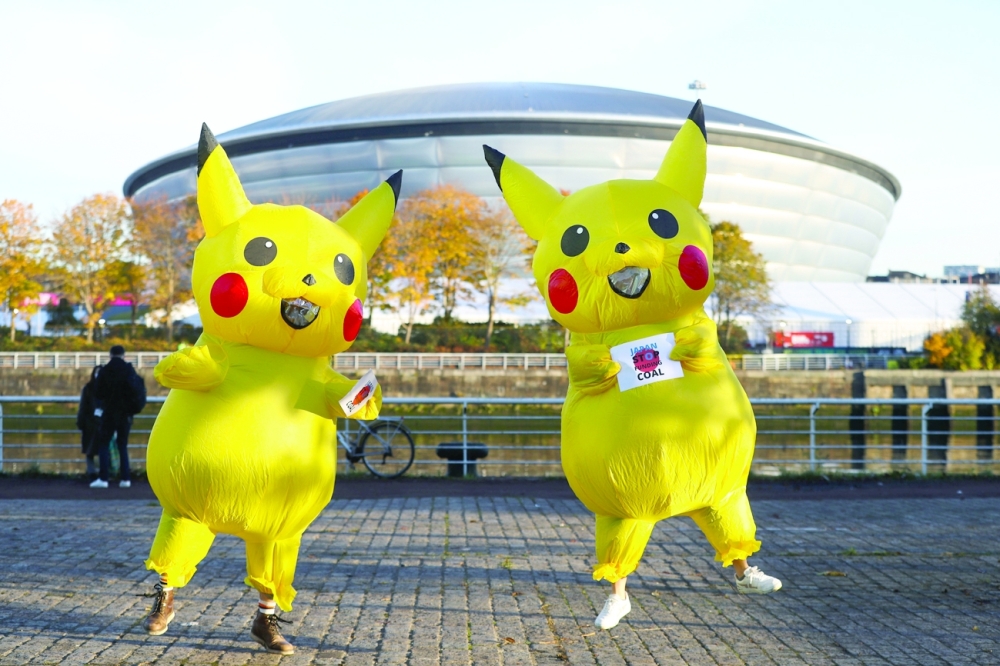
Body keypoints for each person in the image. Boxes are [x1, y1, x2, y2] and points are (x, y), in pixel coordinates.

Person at [90, 345, 143, 489]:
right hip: (125, 414)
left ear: (110, 355)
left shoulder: (105, 370)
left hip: (109, 413)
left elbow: (98, 393)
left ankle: (104, 478)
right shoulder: (129, 370)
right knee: (122, 445)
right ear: (124, 355)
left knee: (103, 444)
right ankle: (125, 479)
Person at [76, 366, 103, 480]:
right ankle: (102, 472)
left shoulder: (88, 388)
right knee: (101, 449)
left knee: (90, 449)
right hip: (97, 423)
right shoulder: (107, 388)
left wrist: (80, 422)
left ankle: (92, 472)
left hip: (90, 424)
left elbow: (83, 406)